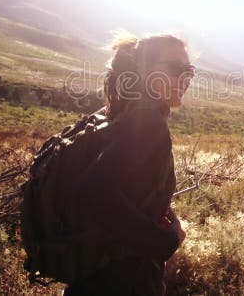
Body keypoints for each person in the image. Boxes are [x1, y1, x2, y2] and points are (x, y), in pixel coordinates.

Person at [64, 30, 194, 295]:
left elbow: (122, 187)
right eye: (174, 68)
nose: (184, 78)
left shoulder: (119, 113)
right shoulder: (148, 123)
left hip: (90, 278)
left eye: (188, 70)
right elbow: (93, 191)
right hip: (124, 283)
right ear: (144, 70)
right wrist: (165, 242)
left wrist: (162, 212)